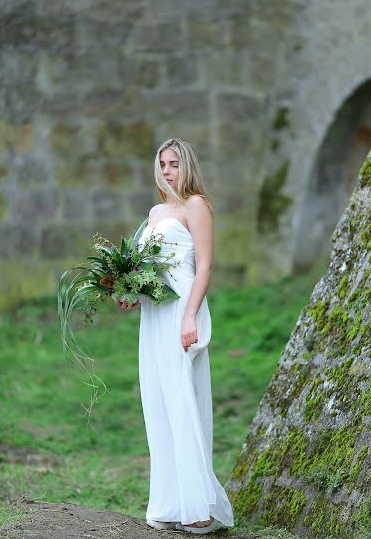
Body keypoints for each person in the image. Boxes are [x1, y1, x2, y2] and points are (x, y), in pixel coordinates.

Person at [115, 138, 234, 535]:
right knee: (160, 400)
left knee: (183, 397)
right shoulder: (154, 211)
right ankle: (170, 502)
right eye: (162, 164)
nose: (167, 171)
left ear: (187, 166)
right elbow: (148, 268)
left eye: (173, 164)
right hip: (155, 315)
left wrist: (189, 316)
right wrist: (131, 293)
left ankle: (198, 506)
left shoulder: (196, 205)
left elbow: (204, 266)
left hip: (182, 309)